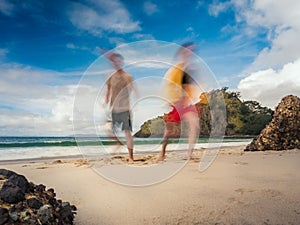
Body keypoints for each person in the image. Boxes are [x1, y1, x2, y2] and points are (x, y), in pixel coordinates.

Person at [158, 42, 200, 161]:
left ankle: (190, 154)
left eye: (191, 52)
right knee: (169, 132)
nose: (189, 54)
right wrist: (169, 101)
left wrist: (188, 99)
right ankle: (162, 153)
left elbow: (188, 86)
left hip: (185, 103)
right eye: (186, 52)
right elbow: (168, 85)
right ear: (181, 53)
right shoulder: (174, 70)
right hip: (175, 103)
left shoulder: (189, 70)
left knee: (194, 124)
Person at [105, 52, 136, 163]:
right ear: (113, 64)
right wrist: (106, 101)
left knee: (127, 132)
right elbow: (108, 91)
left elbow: (133, 89)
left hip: (125, 109)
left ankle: (131, 157)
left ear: (121, 62)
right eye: (114, 62)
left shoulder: (128, 76)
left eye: (118, 61)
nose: (117, 63)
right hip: (114, 109)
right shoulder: (110, 77)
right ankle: (118, 142)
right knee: (107, 129)